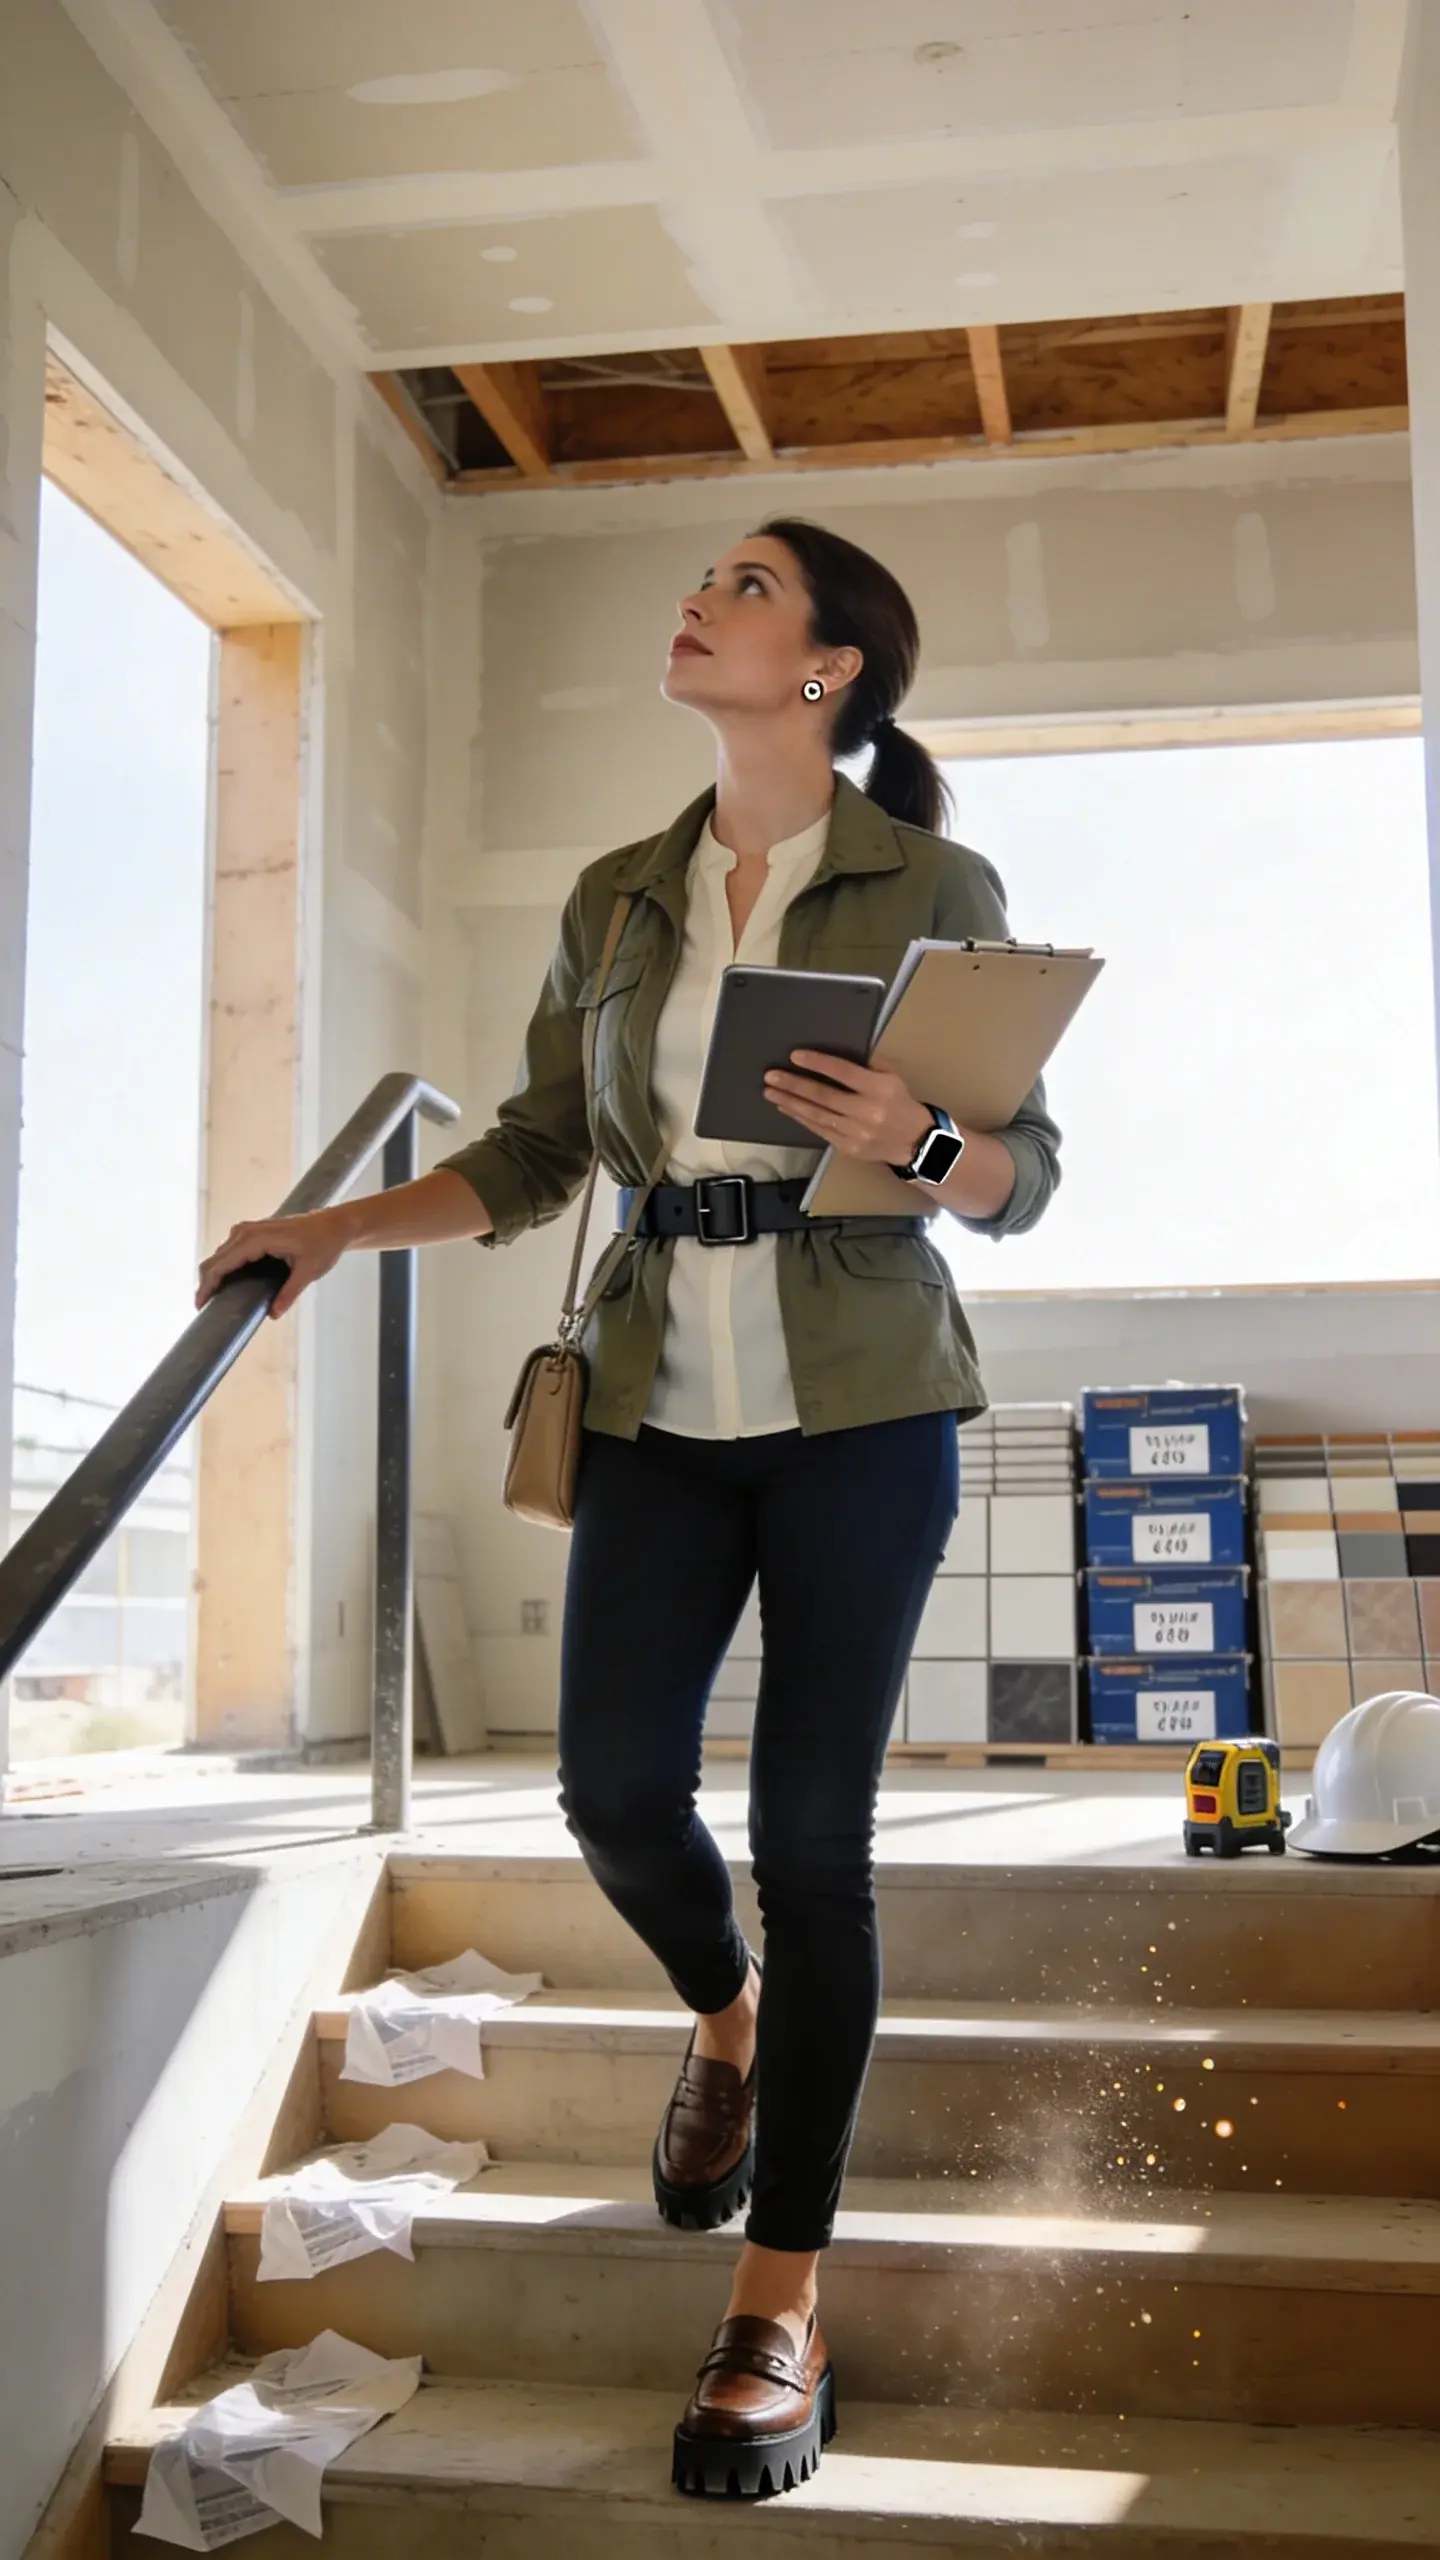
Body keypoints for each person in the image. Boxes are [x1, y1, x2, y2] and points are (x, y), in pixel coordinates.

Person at [195, 516, 1061, 2501]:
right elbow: (530, 1147)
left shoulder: (931, 882)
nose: (704, 599)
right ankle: (727, 2018)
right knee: (605, 1788)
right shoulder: (618, 896)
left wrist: (914, 1132)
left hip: (866, 1407)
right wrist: (330, 1227)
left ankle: (780, 2299)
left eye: (747, 586)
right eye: (709, 580)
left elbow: (1021, 1169)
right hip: (658, 1399)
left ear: (832, 665)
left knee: (814, 1836)